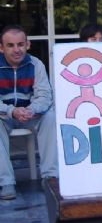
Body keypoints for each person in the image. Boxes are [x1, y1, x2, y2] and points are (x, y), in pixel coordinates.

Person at [0, 25, 58, 200]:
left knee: (50, 117)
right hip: (5, 116)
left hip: (29, 114)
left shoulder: (36, 64)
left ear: (28, 45)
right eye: (10, 45)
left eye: (20, 44)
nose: (16, 50)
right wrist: (12, 111)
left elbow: (45, 96)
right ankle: (6, 182)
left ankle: (50, 177)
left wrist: (32, 109)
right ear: (1, 47)